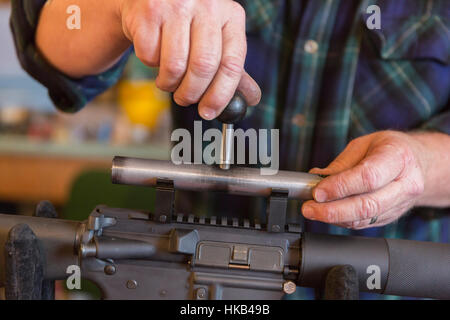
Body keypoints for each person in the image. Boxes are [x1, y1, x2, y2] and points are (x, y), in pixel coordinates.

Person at [10, 0, 450, 296]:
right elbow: (47, 43)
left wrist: (422, 165)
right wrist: (125, 7)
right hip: (185, 275)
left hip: (393, 272)